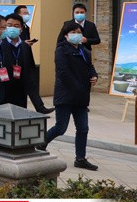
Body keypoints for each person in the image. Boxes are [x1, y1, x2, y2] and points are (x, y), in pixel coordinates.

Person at [37, 21, 99, 171]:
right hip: (65, 95)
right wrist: (77, 87)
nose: (76, 35)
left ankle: (80, 158)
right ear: (66, 35)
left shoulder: (85, 51)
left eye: (79, 32)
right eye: (73, 32)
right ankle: (40, 143)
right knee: (61, 127)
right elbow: (63, 72)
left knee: (83, 128)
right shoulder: (61, 50)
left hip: (81, 97)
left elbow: (90, 67)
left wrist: (94, 76)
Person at [2, 13, 54, 113]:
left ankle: (40, 107)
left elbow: (27, 67)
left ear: (21, 29)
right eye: (9, 25)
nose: (12, 28)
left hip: (20, 92)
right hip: (4, 92)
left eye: (16, 26)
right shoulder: (0, 44)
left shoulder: (24, 46)